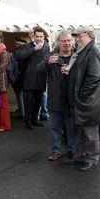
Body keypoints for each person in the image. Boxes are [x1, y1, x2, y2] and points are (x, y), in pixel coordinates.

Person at [66, 26, 100, 171]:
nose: (77, 39)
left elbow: (94, 77)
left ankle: (91, 158)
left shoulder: (93, 51)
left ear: (90, 36)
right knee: (81, 131)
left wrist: (82, 94)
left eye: (80, 36)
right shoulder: (83, 51)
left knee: (90, 132)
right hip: (83, 99)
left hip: (89, 100)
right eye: (76, 36)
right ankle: (80, 156)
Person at [37, 30, 76, 161]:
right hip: (55, 98)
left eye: (69, 40)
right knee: (55, 127)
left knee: (71, 127)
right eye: (64, 41)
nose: (67, 43)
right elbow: (38, 69)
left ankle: (72, 149)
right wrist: (47, 62)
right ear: (58, 43)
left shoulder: (77, 56)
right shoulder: (51, 56)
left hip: (71, 99)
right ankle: (56, 150)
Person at [15, 26, 49, 130]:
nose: (39, 38)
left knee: (38, 101)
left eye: (41, 36)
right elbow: (19, 56)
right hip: (29, 78)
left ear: (44, 36)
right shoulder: (28, 45)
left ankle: (35, 119)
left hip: (41, 77)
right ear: (33, 36)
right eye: (37, 36)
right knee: (29, 101)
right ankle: (28, 121)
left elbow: (46, 59)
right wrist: (33, 49)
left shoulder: (46, 46)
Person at [10, 36, 29, 118]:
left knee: (19, 95)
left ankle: (22, 113)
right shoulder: (29, 51)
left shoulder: (16, 52)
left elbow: (13, 66)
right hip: (26, 77)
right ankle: (27, 113)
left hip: (17, 77)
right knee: (26, 96)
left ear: (18, 44)